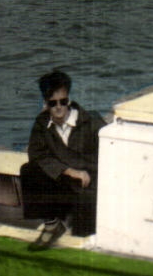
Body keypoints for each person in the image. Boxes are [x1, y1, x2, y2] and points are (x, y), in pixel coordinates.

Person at [21, 69, 103, 249]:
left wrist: (87, 174)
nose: (58, 107)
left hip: (90, 186)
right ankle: (52, 224)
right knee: (29, 170)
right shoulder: (42, 124)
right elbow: (37, 155)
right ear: (45, 103)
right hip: (65, 181)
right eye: (53, 103)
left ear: (69, 100)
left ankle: (77, 229)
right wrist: (70, 171)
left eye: (63, 101)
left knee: (84, 235)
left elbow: (111, 154)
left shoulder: (92, 122)